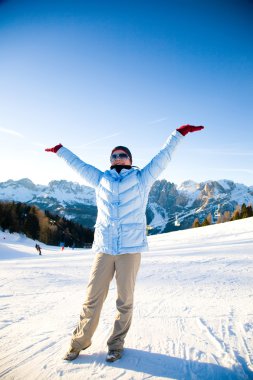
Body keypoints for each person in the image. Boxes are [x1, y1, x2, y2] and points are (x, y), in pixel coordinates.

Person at [45, 124, 204, 362]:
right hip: (104, 249)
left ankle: (116, 344)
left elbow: (163, 158)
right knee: (92, 298)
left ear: (130, 159)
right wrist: (61, 150)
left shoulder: (142, 178)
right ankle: (78, 342)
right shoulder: (100, 179)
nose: (118, 158)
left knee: (124, 300)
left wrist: (178, 134)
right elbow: (79, 165)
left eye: (123, 155)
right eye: (114, 155)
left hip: (130, 249)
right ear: (111, 160)